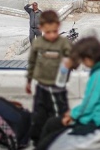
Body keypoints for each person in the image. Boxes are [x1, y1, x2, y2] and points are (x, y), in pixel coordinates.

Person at [37, 37, 100, 150]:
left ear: (88, 59)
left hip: (94, 121)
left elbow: (89, 104)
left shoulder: (98, 76)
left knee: (50, 132)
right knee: (52, 124)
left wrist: (72, 115)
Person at [26, 10, 72, 145]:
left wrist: (70, 62)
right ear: (41, 28)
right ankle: (38, 141)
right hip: (41, 87)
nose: (52, 35)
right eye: (48, 32)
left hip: (58, 89)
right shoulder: (38, 44)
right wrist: (29, 81)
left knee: (58, 117)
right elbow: (32, 63)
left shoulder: (63, 43)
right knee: (39, 116)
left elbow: (73, 59)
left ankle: (59, 141)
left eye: (54, 31)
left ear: (58, 27)